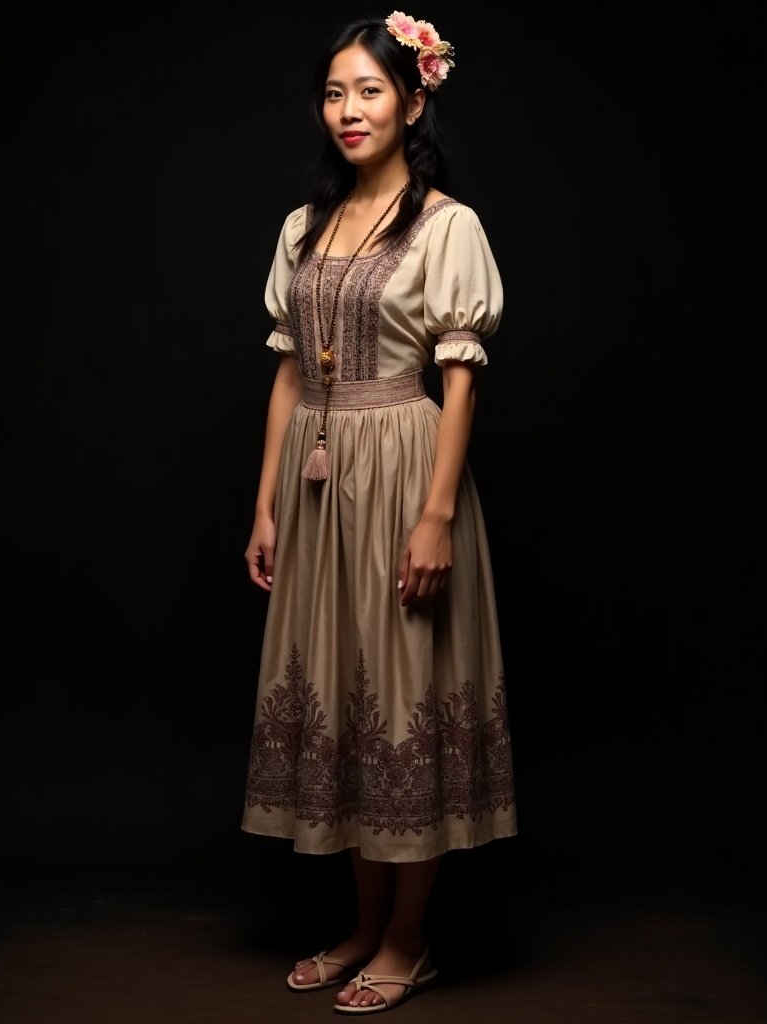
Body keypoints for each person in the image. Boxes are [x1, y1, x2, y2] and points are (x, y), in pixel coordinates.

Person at [241, 10, 518, 1015]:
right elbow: (284, 374)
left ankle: (408, 937)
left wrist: (436, 514)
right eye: (333, 91)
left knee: (404, 690)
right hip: (319, 491)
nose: (348, 109)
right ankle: (361, 925)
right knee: (346, 692)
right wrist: (266, 502)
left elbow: (459, 379)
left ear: (412, 97)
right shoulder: (303, 227)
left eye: (367, 89)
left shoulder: (446, 225)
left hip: (402, 470)